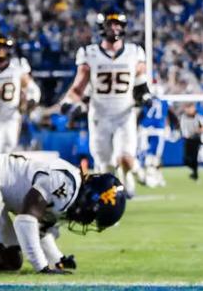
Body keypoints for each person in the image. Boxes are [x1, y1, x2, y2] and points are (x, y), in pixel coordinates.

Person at [62, 11, 151, 198]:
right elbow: (78, 87)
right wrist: (69, 102)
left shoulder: (134, 52)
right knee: (105, 166)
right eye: (110, 24)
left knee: (125, 158)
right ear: (102, 27)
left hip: (124, 114)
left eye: (117, 24)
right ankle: (114, 200)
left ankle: (136, 173)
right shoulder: (89, 53)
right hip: (99, 115)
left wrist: (145, 97)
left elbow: (141, 84)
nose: (114, 28)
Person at [173, 104, 203, 181]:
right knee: (186, 159)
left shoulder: (199, 117)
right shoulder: (182, 117)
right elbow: (178, 127)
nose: (188, 110)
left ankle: (195, 175)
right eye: (187, 108)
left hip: (195, 139)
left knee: (194, 158)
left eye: (190, 108)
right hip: (187, 140)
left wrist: (197, 130)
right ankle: (194, 172)